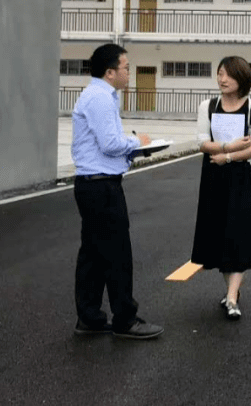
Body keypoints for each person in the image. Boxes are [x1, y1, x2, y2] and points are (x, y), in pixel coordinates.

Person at [70, 43, 163, 339]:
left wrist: (134, 147)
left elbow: (106, 146)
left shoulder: (100, 94)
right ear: (110, 73)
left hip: (93, 184)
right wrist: (139, 141)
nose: (128, 73)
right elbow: (110, 144)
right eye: (125, 68)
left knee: (94, 255)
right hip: (101, 187)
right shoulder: (99, 98)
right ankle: (125, 319)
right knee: (117, 254)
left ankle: (90, 317)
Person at [192, 56, 251, 321]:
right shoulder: (208, 106)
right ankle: (231, 292)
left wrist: (229, 156)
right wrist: (228, 147)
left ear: (242, 78)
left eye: (228, 75)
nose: (222, 79)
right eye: (220, 73)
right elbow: (202, 142)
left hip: (244, 178)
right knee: (220, 237)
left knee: (239, 235)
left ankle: (232, 297)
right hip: (214, 177)